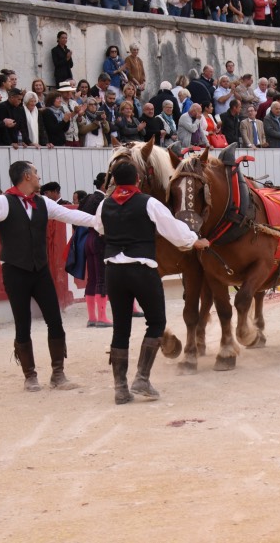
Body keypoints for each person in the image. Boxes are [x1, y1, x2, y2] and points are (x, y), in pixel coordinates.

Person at [0, 161, 97, 391]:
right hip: (15, 271)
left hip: (40, 271)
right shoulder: (1, 202)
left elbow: (73, 216)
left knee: (55, 320)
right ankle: (30, 375)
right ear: (27, 176)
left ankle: (58, 374)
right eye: (36, 173)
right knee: (23, 324)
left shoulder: (42, 202)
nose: (39, 176)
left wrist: (100, 222)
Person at [95, 161, 209, 404]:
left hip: (114, 270)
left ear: (114, 181)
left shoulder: (104, 203)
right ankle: (142, 378)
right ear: (138, 179)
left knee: (121, 328)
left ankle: (120, 388)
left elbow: (100, 227)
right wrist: (194, 240)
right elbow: (173, 230)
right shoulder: (148, 202)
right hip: (142, 269)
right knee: (156, 322)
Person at [78, 173, 114, 328]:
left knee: (92, 278)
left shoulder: (87, 198)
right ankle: (102, 317)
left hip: (88, 239)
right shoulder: (104, 200)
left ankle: (92, 317)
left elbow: (77, 219)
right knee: (101, 278)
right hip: (100, 239)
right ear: (104, 185)